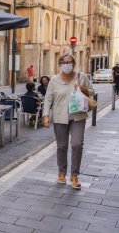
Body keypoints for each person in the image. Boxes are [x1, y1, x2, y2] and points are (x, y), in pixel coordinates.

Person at [43, 53, 94, 190]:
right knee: (62, 146)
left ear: (74, 63)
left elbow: (92, 92)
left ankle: (74, 175)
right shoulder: (54, 80)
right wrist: (46, 115)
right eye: (64, 62)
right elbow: (48, 98)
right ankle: (61, 173)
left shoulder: (81, 77)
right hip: (59, 117)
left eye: (70, 62)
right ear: (60, 64)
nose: (67, 65)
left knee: (77, 144)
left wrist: (83, 88)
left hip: (78, 115)